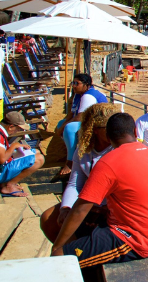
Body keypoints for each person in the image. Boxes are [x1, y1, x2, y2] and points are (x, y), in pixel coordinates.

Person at [51, 112, 148, 269]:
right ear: (135, 132)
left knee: (60, 259)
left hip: (134, 240)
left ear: (108, 136)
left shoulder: (108, 162)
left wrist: (56, 248)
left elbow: (80, 209)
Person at [40, 103, 116, 242]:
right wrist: (66, 208)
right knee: (49, 219)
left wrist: (102, 208)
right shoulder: (84, 150)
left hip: (111, 205)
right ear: (95, 129)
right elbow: (75, 183)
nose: (113, 131)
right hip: (89, 202)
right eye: (108, 128)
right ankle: (72, 254)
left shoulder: (117, 149)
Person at [55, 74, 108, 175]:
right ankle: (70, 152)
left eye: (77, 83)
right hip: (87, 122)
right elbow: (71, 114)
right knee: (62, 123)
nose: (74, 86)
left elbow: (80, 117)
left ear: (86, 85)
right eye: (73, 83)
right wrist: (62, 126)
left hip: (97, 125)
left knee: (69, 127)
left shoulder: (88, 96)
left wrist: (63, 127)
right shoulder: (78, 95)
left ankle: (70, 161)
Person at [0, 112, 45, 196]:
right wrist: (14, 146)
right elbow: (2, 159)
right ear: (11, 127)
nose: (18, 131)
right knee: (39, 159)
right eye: (18, 129)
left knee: (36, 152)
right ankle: (9, 186)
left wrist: (16, 146)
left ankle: (7, 182)